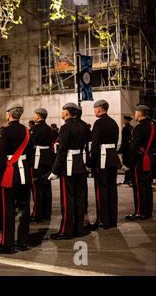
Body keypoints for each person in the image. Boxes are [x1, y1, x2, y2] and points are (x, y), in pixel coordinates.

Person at [0, 104, 33, 254]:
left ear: (9, 115)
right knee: (24, 208)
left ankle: (7, 244)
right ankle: (23, 241)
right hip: (24, 173)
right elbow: (30, 153)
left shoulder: (6, 131)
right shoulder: (26, 131)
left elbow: (1, 157)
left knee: (9, 210)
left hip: (10, 174)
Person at [48, 103, 88, 240]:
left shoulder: (65, 128)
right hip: (79, 165)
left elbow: (62, 151)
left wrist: (55, 171)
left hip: (69, 167)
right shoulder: (81, 126)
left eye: (63, 110)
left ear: (66, 113)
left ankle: (66, 230)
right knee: (79, 198)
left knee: (67, 200)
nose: (61, 112)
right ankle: (79, 228)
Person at [90, 100, 120, 229]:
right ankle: (112, 219)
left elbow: (95, 145)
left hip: (102, 158)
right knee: (112, 189)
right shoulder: (113, 123)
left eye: (95, 109)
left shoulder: (98, 123)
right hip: (112, 158)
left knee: (101, 189)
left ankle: (103, 220)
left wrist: (91, 161)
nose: (94, 111)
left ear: (99, 109)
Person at [126, 105, 156, 220]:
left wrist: (129, 163)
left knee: (139, 187)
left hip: (140, 160)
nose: (135, 114)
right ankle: (148, 211)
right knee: (148, 186)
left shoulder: (138, 128)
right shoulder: (153, 127)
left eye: (135, 112)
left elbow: (134, 147)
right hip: (150, 159)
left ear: (139, 113)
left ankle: (139, 211)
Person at [30, 108, 54, 222]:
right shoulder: (49, 129)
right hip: (47, 158)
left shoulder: (35, 128)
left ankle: (37, 213)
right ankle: (47, 212)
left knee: (37, 187)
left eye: (35, 114)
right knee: (47, 187)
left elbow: (31, 143)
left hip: (37, 159)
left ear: (39, 116)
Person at [118, 116, 134, 185]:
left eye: (124, 120)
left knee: (126, 164)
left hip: (126, 149)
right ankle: (130, 179)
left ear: (127, 120)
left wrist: (120, 150)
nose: (123, 121)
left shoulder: (125, 129)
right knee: (130, 164)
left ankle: (127, 179)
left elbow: (124, 141)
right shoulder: (132, 128)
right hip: (131, 148)